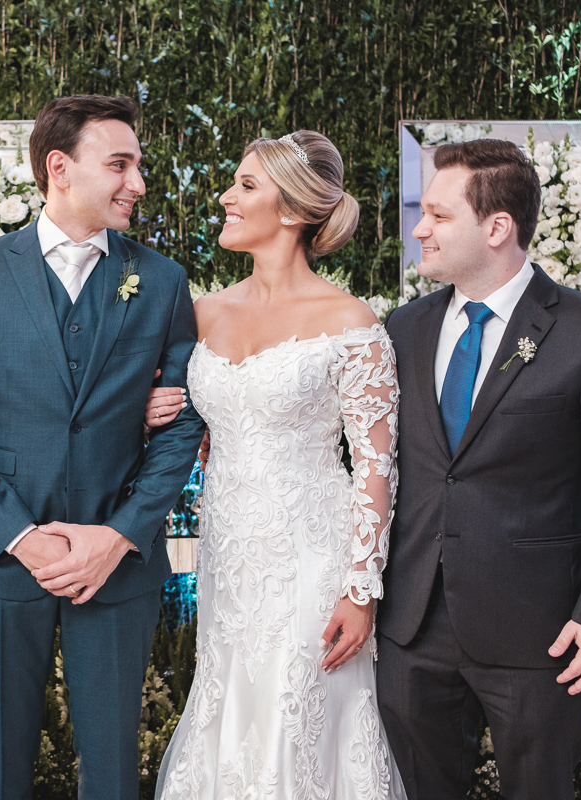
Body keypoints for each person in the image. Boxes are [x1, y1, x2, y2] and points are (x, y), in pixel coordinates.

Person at [0, 95, 207, 800]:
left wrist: (119, 535)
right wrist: (22, 538)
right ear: (59, 167)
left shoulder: (163, 280)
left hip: (118, 563)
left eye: (138, 166)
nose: (138, 183)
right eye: (120, 165)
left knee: (112, 767)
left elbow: (181, 426)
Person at [376, 139, 581, 799]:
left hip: (539, 632)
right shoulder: (403, 328)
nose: (420, 229)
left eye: (438, 215)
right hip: (412, 626)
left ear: (497, 226)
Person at [146, 131, 408, 799]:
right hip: (228, 557)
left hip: (311, 558)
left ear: (291, 210)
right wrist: (154, 409)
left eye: (245, 185)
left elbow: (376, 467)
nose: (225, 197)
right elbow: (195, 425)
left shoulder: (350, 321)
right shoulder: (203, 314)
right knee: (232, 711)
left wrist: (361, 590)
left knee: (296, 724)